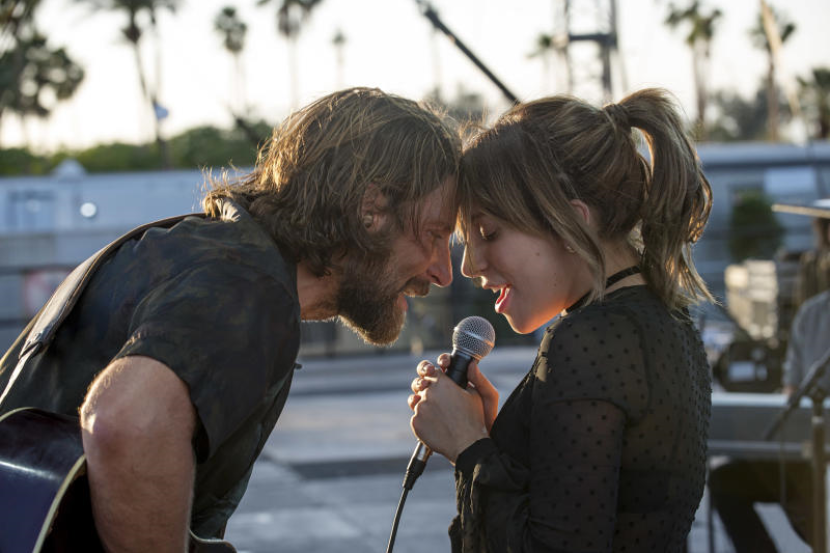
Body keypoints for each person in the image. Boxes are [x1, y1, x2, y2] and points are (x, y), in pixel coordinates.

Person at [0, 87, 461, 551]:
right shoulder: (247, 287)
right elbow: (126, 423)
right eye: (433, 234)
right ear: (371, 210)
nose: (443, 272)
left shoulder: (199, 253)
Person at [407, 88, 714, 552]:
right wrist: (490, 439)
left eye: (489, 233)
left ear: (572, 222)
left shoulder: (588, 339)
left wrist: (469, 447)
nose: (469, 265)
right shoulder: (667, 321)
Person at [709, 288, 830, 552]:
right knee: (725, 482)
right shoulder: (812, 313)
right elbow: (791, 390)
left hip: (817, 465)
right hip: (806, 457)